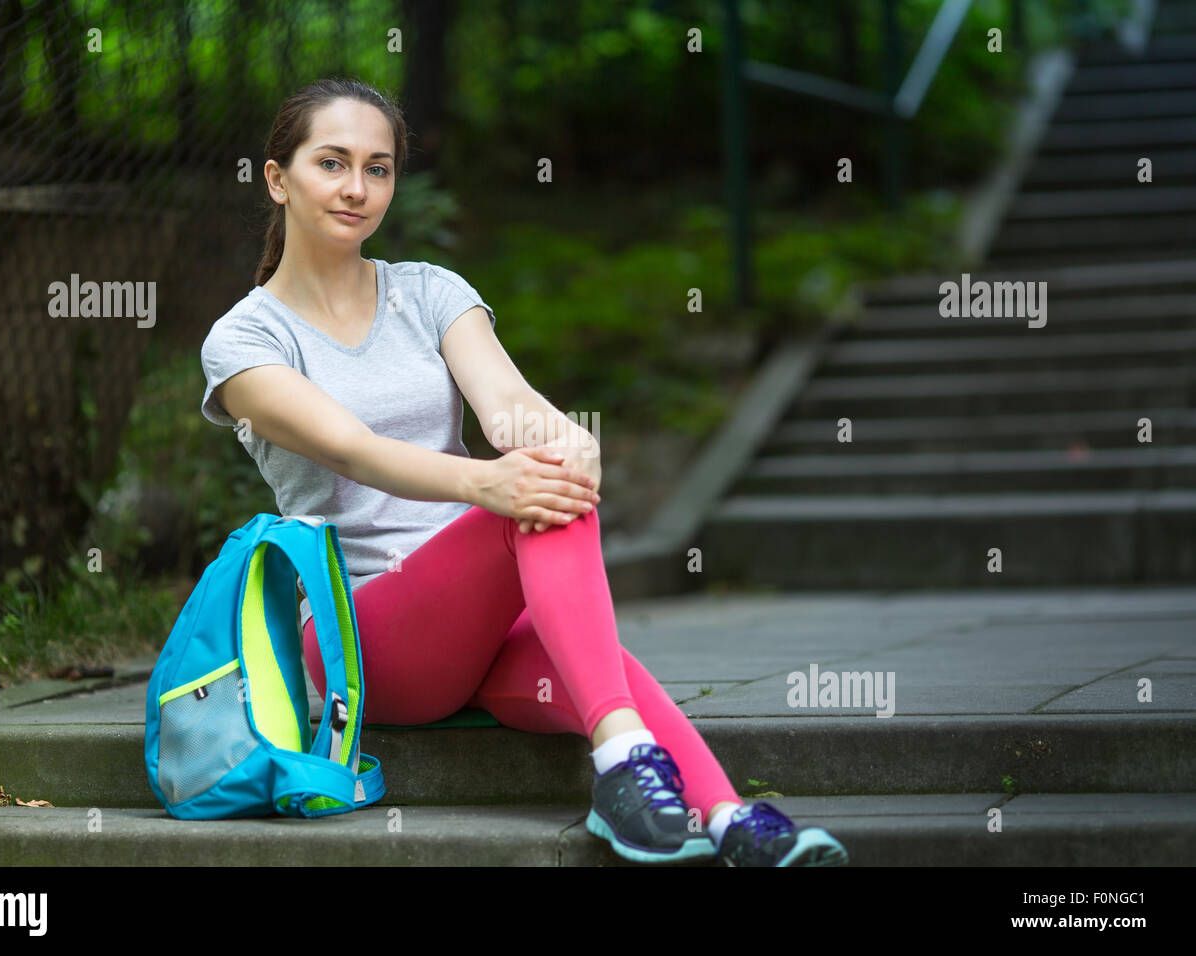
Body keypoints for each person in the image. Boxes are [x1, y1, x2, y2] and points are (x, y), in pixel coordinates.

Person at [199, 77, 848, 867]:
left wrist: (565, 443)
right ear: (277, 178)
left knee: (596, 643)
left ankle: (725, 818)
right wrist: (489, 484)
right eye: (331, 164)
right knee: (526, 498)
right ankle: (626, 768)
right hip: (366, 638)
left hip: (483, 631)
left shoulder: (430, 292)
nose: (357, 188)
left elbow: (509, 406)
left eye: (378, 168)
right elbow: (349, 448)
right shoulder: (244, 339)